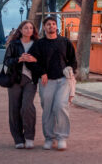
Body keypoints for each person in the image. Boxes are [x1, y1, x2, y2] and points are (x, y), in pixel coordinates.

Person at [28, 16, 76, 151]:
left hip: (63, 80)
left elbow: (73, 60)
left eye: (54, 24)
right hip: (46, 82)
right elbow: (31, 61)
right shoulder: (39, 44)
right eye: (48, 24)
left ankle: (62, 138)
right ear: (44, 27)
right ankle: (49, 138)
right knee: (47, 110)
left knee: (60, 106)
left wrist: (71, 69)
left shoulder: (65, 42)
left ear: (57, 26)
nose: (51, 26)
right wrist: (42, 72)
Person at [3, 21, 41, 149]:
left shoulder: (37, 44)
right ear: (20, 30)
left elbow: (42, 61)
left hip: (30, 80)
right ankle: (18, 138)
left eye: (31, 28)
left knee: (27, 106)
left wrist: (33, 59)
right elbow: (7, 61)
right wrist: (19, 59)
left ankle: (29, 137)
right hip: (15, 79)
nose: (28, 30)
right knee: (14, 109)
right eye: (26, 28)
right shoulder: (14, 44)